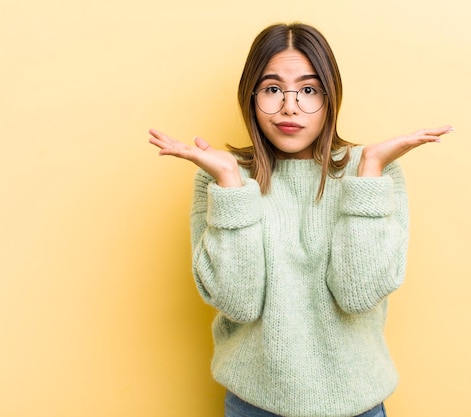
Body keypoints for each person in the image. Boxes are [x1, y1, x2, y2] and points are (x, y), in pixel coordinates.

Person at [149, 22, 452, 417]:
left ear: (330, 98)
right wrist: (230, 184)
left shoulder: (375, 172)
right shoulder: (219, 176)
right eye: (273, 89)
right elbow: (238, 303)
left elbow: (358, 294)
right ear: (251, 96)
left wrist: (371, 168)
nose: (289, 106)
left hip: (357, 405)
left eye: (308, 90)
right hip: (253, 405)